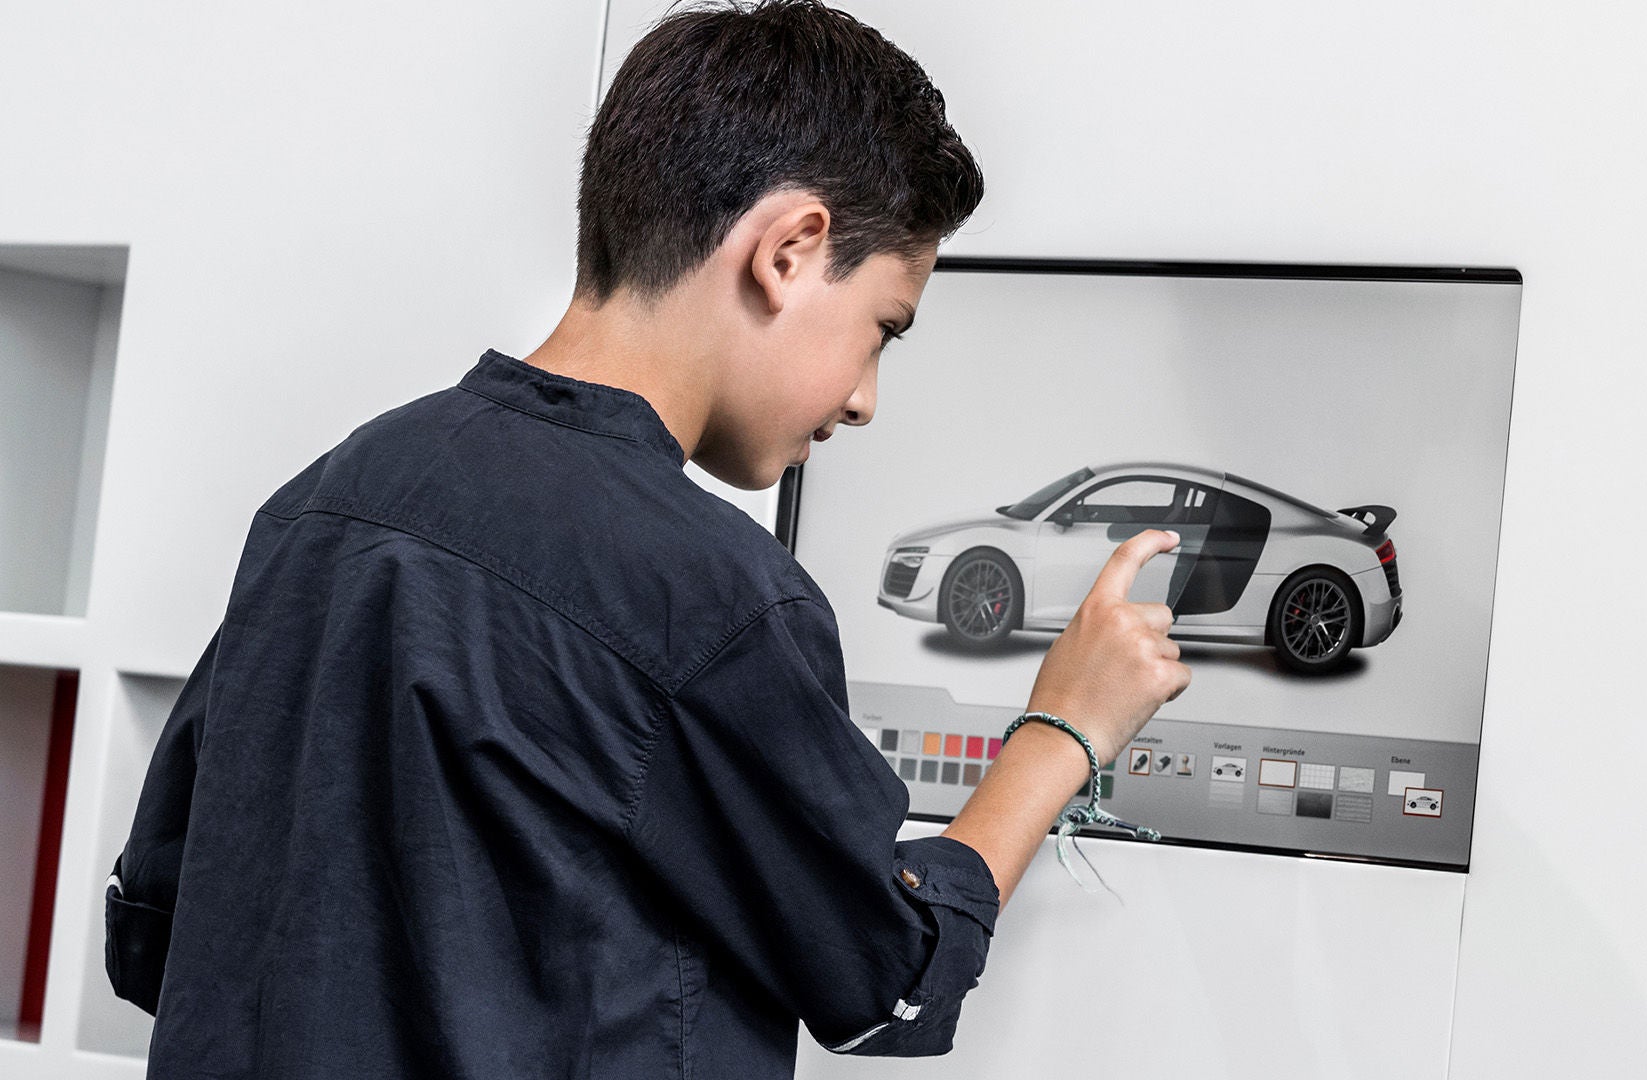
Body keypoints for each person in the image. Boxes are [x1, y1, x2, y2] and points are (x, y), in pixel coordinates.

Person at [104, 2, 1189, 1076]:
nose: (864, 400)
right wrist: (1065, 729)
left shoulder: (320, 505)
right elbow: (889, 983)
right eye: (883, 329)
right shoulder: (710, 598)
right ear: (792, 250)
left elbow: (156, 925)